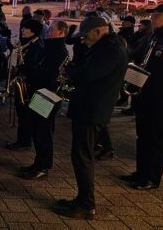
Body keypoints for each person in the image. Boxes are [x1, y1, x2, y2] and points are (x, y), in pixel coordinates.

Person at [56, 16, 128, 219]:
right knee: (80, 155)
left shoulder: (109, 50)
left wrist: (70, 69)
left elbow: (89, 74)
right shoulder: (106, 47)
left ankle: (87, 204)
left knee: (83, 157)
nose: (83, 40)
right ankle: (82, 199)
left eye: (85, 35)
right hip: (89, 108)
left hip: (92, 110)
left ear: (98, 31)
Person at [120, 4, 163, 190]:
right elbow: (139, 57)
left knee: (156, 137)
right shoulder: (153, 36)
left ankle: (152, 177)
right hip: (144, 93)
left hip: (161, 96)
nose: (154, 17)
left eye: (158, 14)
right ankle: (141, 171)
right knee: (143, 135)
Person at [19, 20, 68, 180]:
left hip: (47, 94)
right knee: (37, 129)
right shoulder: (51, 46)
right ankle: (38, 163)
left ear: (61, 32)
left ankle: (43, 166)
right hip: (41, 92)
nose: (48, 31)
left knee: (43, 131)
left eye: (52, 29)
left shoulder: (58, 50)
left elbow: (48, 74)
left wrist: (30, 71)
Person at [4, 19, 44, 151]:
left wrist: (21, 68)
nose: (22, 30)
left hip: (29, 86)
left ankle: (24, 141)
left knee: (26, 115)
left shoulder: (36, 46)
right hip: (24, 83)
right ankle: (22, 140)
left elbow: (32, 67)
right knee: (22, 115)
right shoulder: (29, 43)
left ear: (33, 31)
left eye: (25, 28)